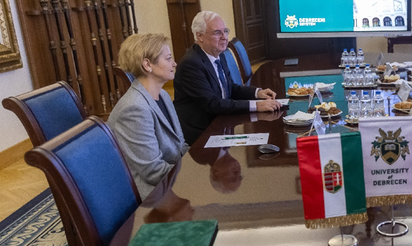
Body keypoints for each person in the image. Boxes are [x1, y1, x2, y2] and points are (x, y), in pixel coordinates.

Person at [174, 11, 282, 145]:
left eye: (225, 31)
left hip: (222, 123)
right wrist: (256, 105)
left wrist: (257, 93)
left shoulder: (219, 55)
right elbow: (213, 104)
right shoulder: (191, 64)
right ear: (200, 36)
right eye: (217, 33)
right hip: (203, 134)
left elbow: (230, 88)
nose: (224, 37)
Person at [107, 33, 189, 200]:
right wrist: (194, 175)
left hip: (170, 179)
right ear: (147, 65)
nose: (174, 63)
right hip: (149, 196)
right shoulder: (134, 108)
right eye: (168, 58)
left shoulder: (163, 95)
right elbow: (153, 172)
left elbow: (180, 145)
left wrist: (200, 163)